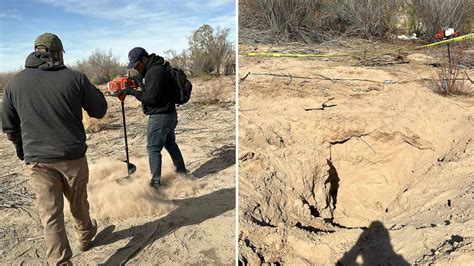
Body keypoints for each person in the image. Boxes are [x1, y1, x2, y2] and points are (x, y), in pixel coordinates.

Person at [2, 33, 108, 265]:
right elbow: (99, 110)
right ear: (58, 52)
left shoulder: (15, 83)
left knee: (51, 216)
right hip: (73, 157)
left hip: (39, 161)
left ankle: (60, 262)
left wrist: (22, 148)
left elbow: (9, 126)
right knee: (78, 203)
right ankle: (85, 235)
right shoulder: (76, 78)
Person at [119, 47, 186, 189]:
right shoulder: (156, 69)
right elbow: (154, 92)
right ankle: (182, 173)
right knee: (170, 144)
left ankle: (155, 183)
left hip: (160, 117)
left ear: (144, 59)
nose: (136, 68)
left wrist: (132, 92)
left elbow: (151, 98)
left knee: (153, 149)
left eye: (137, 65)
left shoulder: (154, 72)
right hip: (169, 114)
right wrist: (140, 84)